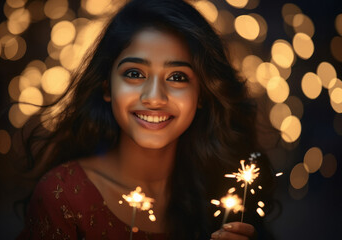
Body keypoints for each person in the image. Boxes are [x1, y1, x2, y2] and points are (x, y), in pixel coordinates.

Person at [17, 0, 275, 239]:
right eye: (134, 73)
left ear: (202, 95)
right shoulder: (63, 197)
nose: (154, 98)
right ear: (107, 87)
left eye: (177, 77)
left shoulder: (228, 196)